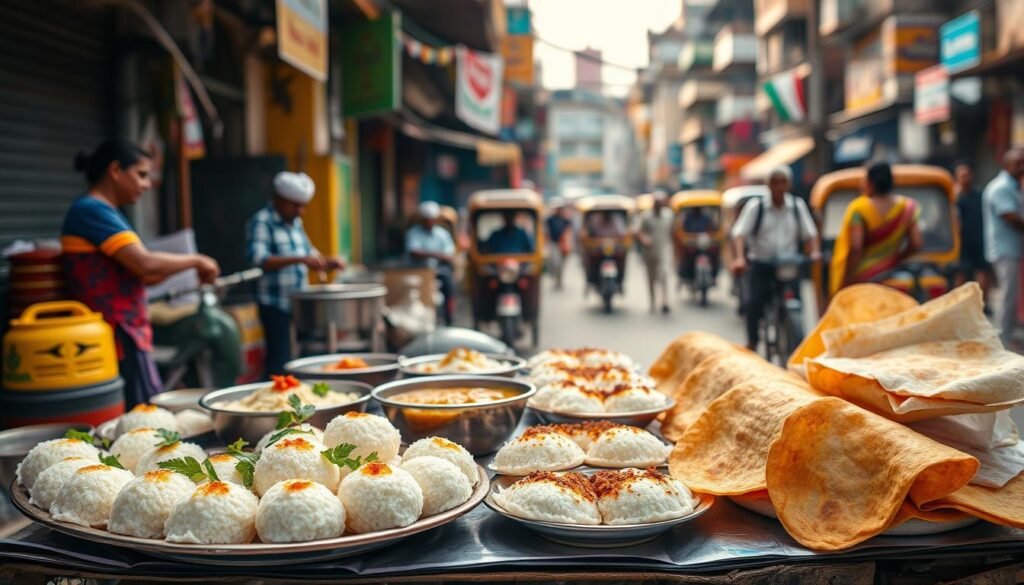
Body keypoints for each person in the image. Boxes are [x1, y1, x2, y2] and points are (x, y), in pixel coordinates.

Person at [62, 139, 220, 407]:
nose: (147, 184)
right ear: (115, 171)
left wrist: (183, 268)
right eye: (142, 174)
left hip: (126, 333)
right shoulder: (92, 210)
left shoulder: (106, 212)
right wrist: (195, 261)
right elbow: (144, 264)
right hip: (114, 334)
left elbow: (144, 274)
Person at [246, 172, 344, 377]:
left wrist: (327, 263)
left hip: (298, 304)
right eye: (295, 205)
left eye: (303, 205)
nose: (301, 211)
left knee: (302, 359)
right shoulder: (262, 222)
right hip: (274, 304)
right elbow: (259, 259)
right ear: (279, 200)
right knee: (279, 360)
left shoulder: (295, 225)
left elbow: (310, 255)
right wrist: (298, 259)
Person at [731, 165, 820, 351]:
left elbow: (810, 234)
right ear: (768, 185)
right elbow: (739, 234)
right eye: (775, 182)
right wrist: (740, 258)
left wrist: (815, 252)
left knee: (798, 304)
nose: (779, 186)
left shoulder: (797, 206)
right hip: (762, 265)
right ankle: (753, 342)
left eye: (783, 182)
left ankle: (796, 344)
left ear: (789, 184)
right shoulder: (757, 208)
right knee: (753, 303)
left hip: (788, 265)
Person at [829, 161, 922, 296]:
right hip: (893, 271)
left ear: (871, 182)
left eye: (864, 179)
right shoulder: (908, 207)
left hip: (863, 277)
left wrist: (846, 280)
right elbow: (917, 244)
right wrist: (895, 258)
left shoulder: (859, 209)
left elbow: (856, 248)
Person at [983, 148, 1024, 346]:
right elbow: (1010, 217)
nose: (1022, 167)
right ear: (1007, 165)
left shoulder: (1015, 186)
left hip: (1013, 249)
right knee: (1008, 294)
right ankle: (1003, 339)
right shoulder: (1000, 188)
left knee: (1013, 294)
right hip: (1004, 249)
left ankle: (1008, 334)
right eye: (1019, 163)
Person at [406, 201, 456, 325]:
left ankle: (449, 318)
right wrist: (436, 254)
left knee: (450, 287)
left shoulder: (442, 234)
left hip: (440, 271)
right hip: (420, 271)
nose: (429, 222)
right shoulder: (414, 233)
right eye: (426, 219)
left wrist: (432, 255)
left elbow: (449, 254)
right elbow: (413, 252)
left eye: (432, 219)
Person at [953, 160, 992, 309]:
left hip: (978, 238)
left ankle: (981, 303)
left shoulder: (980, 195)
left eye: (967, 174)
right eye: (962, 175)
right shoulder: (954, 197)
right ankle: (958, 304)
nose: (965, 178)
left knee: (982, 271)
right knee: (961, 272)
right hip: (961, 241)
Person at [636, 191, 674, 314]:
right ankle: (652, 301)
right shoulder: (645, 216)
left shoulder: (669, 215)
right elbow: (639, 232)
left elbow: (673, 232)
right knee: (651, 277)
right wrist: (644, 239)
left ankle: (664, 301)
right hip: (649, 252)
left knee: (663, 275)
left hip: (664, 250)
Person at [545, 200, 573, 290]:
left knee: (561, 265)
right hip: (554, 244)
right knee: (556, 263)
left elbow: (569, 233)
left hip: (563, 245)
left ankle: (559, 281)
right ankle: (556, 280)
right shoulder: (550, 219)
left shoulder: (566, 220)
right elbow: (546, 231)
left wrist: (568, 244)